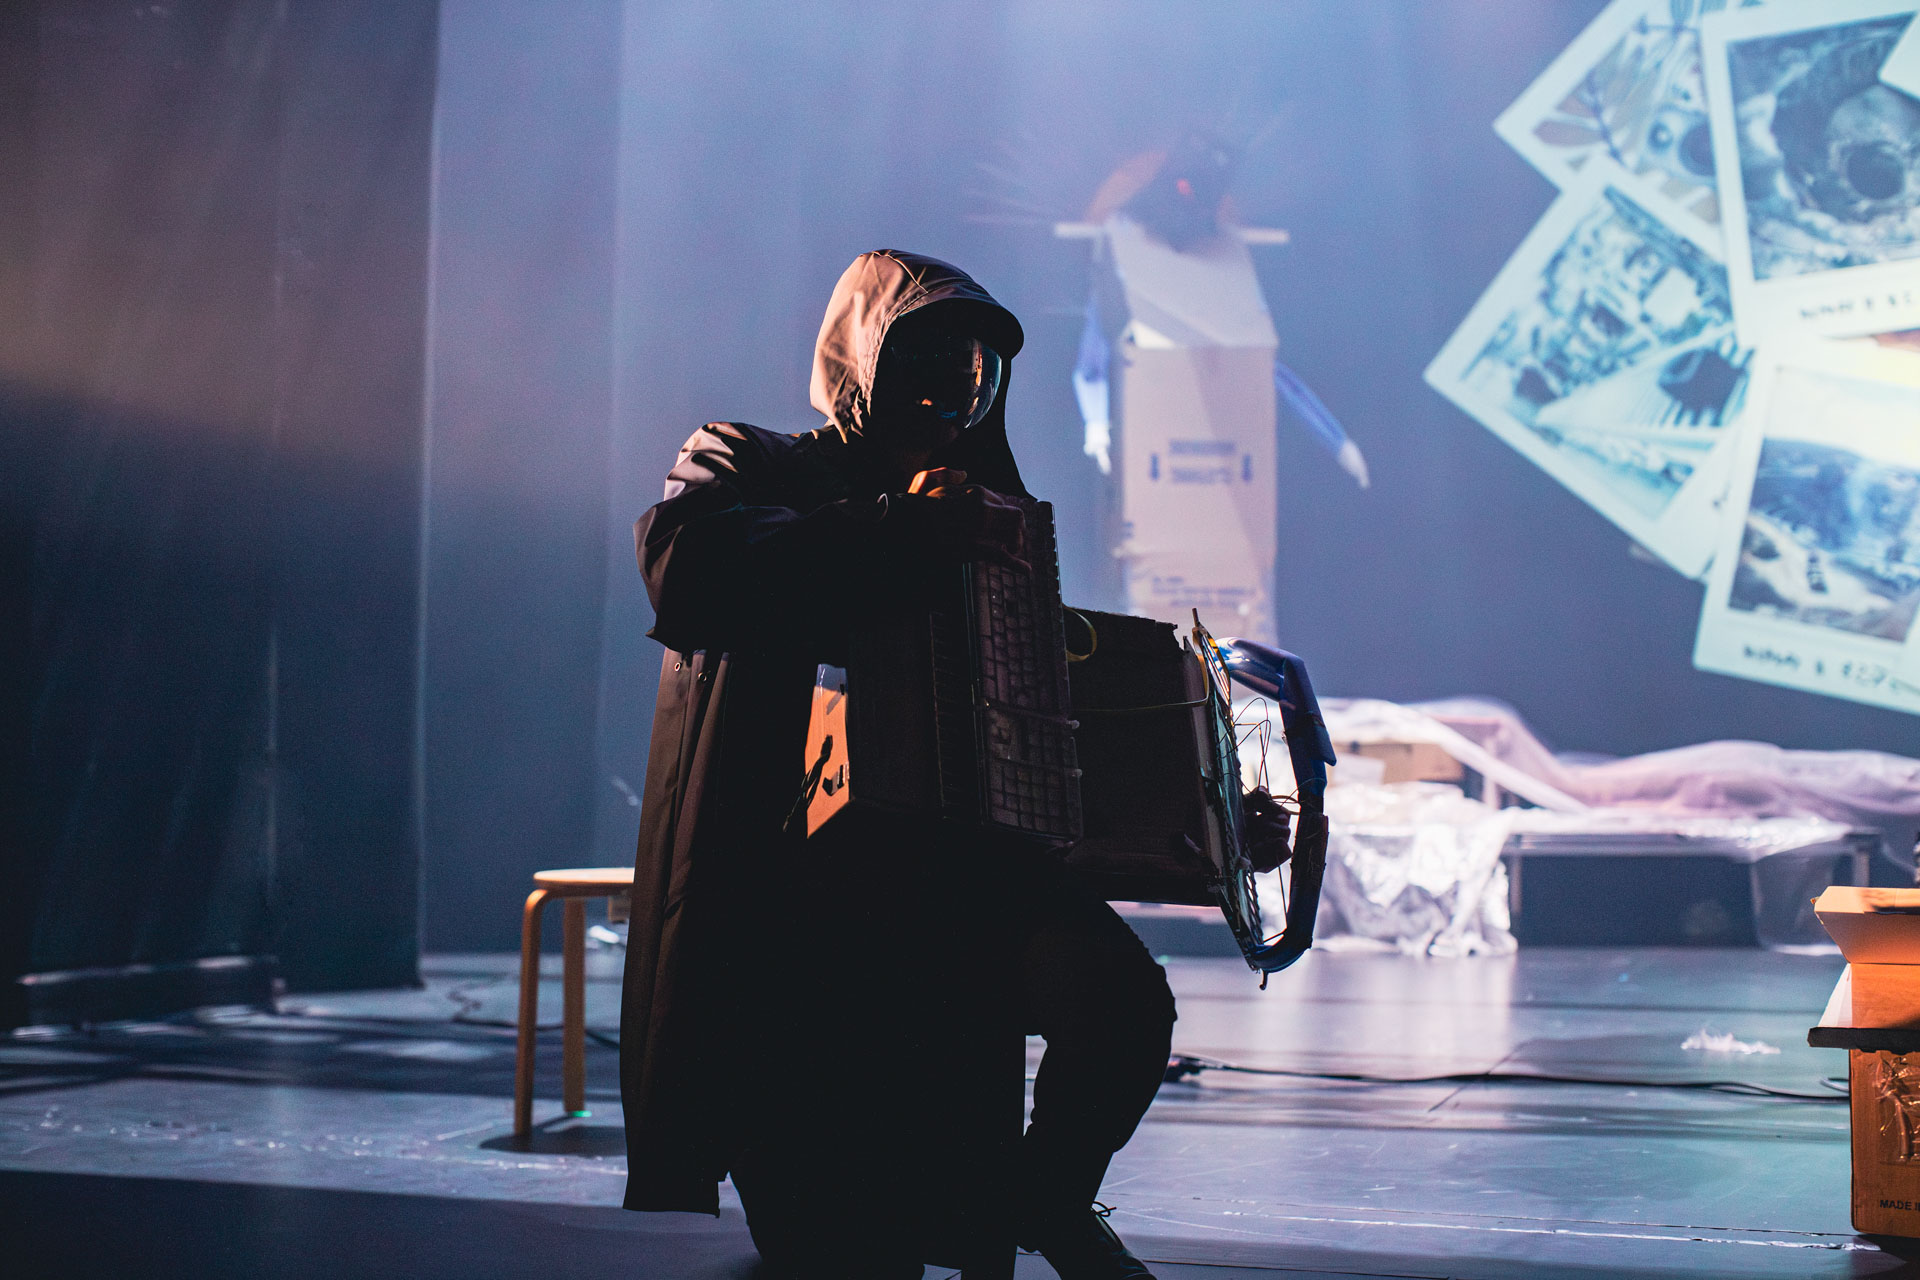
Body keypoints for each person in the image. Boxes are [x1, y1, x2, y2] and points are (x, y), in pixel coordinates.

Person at [618, 250, 1177, 1279]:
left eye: (974, 367)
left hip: (967, 891)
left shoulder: (989, 525)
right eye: (926, 357)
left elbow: (1040, 723)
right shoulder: (751, 461)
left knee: (1120, 1001)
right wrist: (900, 524)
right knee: (854, 1247)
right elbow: (687, 568)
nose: (953, 386)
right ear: (866, 361)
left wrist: (1179, 815)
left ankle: (1047, 1200)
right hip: (800, 913)